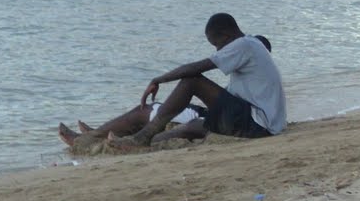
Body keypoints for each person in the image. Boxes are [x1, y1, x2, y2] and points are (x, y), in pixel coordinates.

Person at [59, 34, 278, 152]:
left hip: (239, 119)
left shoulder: (247, 52)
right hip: (236, 116)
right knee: (162, 115)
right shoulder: (256, 75)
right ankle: (97, 136)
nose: (222, 52)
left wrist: (160, 79)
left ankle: (106, 139)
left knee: (151, 111)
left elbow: (197, 70)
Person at [110, 14, 286, 147]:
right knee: (194, 125)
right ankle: (149, 141)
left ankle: (141, 138)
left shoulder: (242, 45)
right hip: (265, 124)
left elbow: (194, 69)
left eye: (216, 44)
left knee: (192, 81)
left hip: (258, 124)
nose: (217, 50)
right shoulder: (252, 44)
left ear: (226, 35)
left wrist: (158, 79)